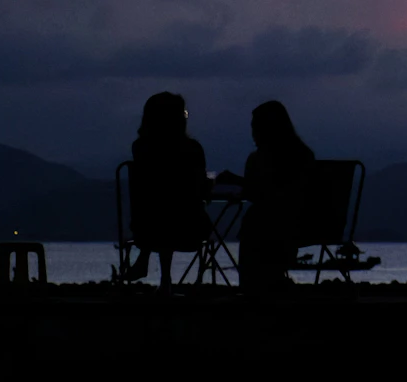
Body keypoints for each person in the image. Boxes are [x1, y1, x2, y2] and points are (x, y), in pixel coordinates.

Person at [215, 100, 315, 291]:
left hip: (272, 229)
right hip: (302, 226)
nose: (253, 133)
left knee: (256, 218)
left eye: (255, 127)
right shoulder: (304, 155)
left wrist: (237, 181)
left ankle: (251, 287)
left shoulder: (259, 159)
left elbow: (263, 194)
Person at [124, 92, 211, 289]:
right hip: (190, 228)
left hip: (146, 229)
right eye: (184, 114)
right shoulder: (192, 149)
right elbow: (199, 189)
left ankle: (153, 269)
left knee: (161, 208)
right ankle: (166, 279)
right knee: (171, 209)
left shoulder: (141, 148)